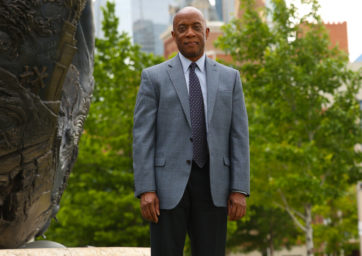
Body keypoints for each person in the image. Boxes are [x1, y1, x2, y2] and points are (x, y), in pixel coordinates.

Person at [133, 6, 250, 256]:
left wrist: (239, 189)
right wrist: (146, 188)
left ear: (206, 32)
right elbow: (143, 138)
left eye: (196, 27)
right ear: (173, 36)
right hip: (165, 189)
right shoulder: (153, 78)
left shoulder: (231, 79)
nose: (190, 33)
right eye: (182, 28)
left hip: (214, 185)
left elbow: (239, 136)